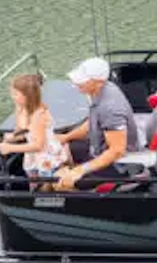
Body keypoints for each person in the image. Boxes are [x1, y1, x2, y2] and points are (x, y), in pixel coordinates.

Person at [52, 56, 143, 191]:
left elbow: (117, 151)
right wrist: (66, 137)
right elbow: (93, 122)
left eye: (83, 80)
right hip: (98, 149)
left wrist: (81, 170)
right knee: (61, 150)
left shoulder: (110, 108)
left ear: (98, 82)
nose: (76, 83)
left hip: (119, 166)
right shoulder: (100, 91)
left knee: (58, 181)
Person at [0, 72, 67, 186]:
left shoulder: (38, 116)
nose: (12, 97)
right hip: (32, 155)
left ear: (27, 96)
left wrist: (10, 148)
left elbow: (39, 146)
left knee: (46, 185)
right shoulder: (21, 108)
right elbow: (24, 131)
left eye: (15, 94)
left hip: (46, 156)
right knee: (33, 182)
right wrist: (13, 137)